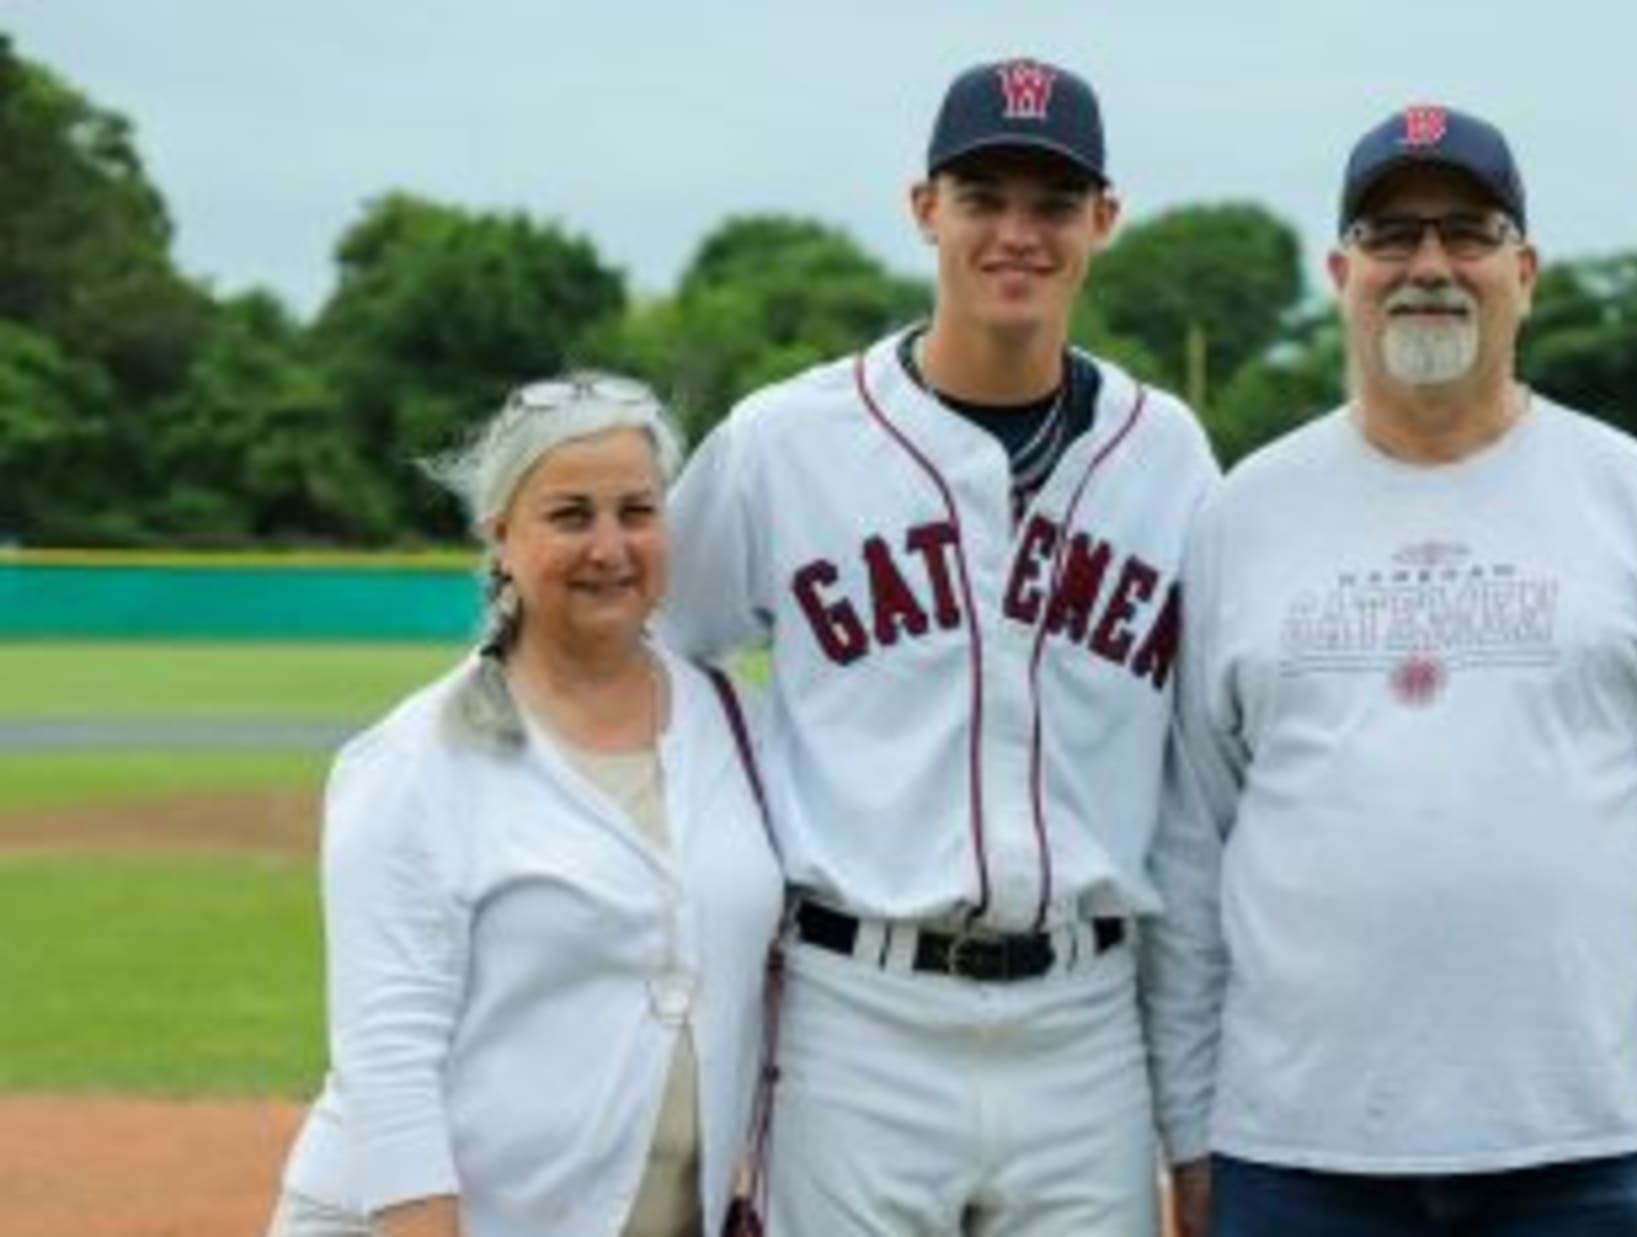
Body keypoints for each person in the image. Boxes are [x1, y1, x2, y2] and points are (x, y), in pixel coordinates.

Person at [1144, 104, 1637, 1237]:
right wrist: (1185, 1124)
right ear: (1340, 271)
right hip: (1296, 1147)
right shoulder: (1243, 515)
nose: (1428, 265)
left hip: (1587, 1146)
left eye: (1466, 232)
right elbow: (1186, 855)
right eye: (1391, 236)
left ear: (1525, 269)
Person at [659, 55, 1218, 1237]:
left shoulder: (1167, 454)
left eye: (1053, 203)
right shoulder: (782, 443)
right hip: (857, 1015)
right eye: (983, 197)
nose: (1018, 231)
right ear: (926, 210)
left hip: (1087, 1020)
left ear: (1102, 222)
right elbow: (660, 652)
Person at [267, 372, 785, 1237]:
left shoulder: (740, 726)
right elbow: (389, 1066)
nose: (610, 546)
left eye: (637, 511)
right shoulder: (411, 762)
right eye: (571, 515)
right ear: (500, 535)